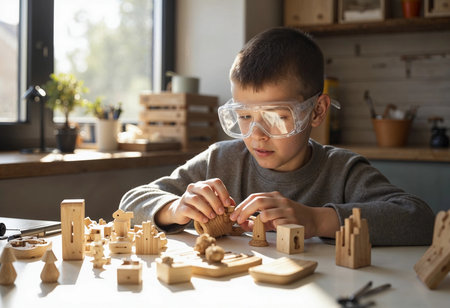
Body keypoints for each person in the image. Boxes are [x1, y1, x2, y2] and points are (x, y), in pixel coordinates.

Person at [119, 27, 434, 246]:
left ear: (317, 112)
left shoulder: (342, 171)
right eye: (243, 117)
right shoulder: (221, 160)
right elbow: (130, 202)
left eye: (276, 117)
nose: (256, 135)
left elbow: (418, 219)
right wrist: (174, 209)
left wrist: (316, 220)